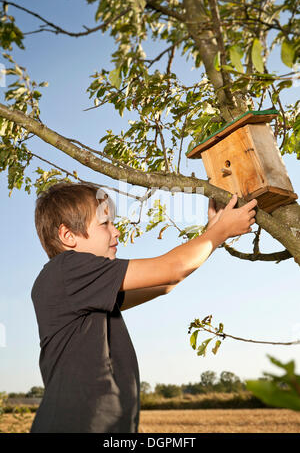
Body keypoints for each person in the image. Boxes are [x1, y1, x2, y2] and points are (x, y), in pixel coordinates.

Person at [30, 182, 257, 433]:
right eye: (105, 224)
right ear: (68, 235)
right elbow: (171, 269)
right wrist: (219, 233)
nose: (116, 232)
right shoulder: (68, 271)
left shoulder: (86, 287)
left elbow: (165, 283)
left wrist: (211, 233)